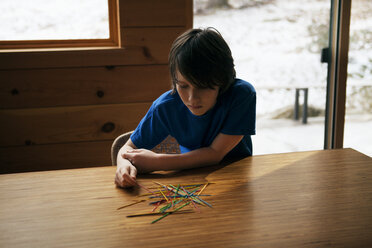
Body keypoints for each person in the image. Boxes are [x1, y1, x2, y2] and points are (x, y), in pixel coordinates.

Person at [115, 27, 256, 188]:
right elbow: (126, 148)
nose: (192, 98)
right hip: (191, 179)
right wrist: (122, 165)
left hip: (238, 178)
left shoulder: (241, 96)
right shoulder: (165, 107)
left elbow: (215, 154)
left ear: (222, 81)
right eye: (183, 85)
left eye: (203, 87)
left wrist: (156, 162)